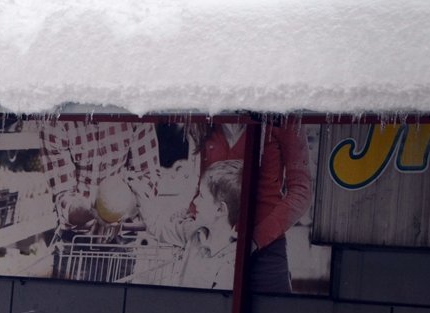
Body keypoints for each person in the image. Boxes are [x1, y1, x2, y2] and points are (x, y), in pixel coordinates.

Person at [194, 121, 313, 292]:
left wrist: (254, 240)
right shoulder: (211, 116)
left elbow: (301, 191)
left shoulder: (283, 117)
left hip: (264, 250)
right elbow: (202, 188)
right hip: (214, 247)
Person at [132, 160, 243, 290]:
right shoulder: (194, 231)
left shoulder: (231, 262)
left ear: (220, 210)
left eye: (201, 196)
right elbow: (158, 226)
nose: (195, 201)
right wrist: (140, 196)